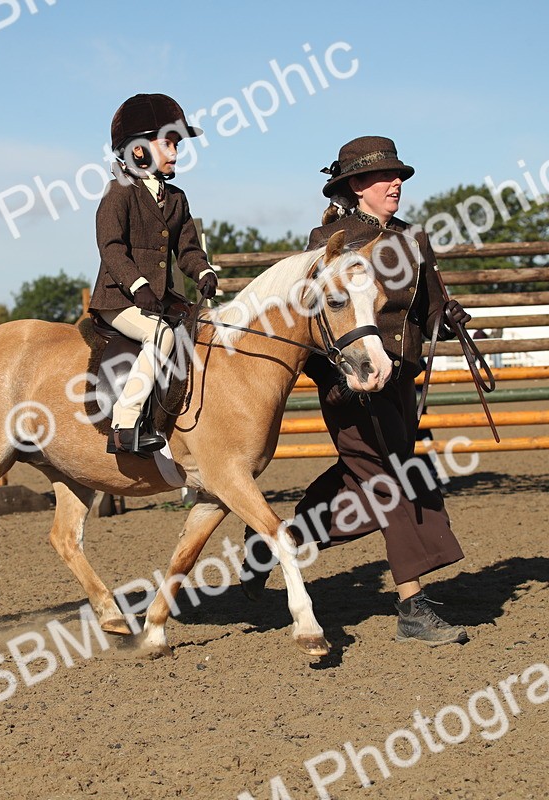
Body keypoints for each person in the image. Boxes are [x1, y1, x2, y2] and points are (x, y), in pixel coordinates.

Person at [242, 136, 472, 647]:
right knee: (392, 482)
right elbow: (317, 314)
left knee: (360, 483)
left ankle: (274, 542)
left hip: (401, 379)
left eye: (399, 177)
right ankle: (412, 606)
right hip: (352, 384)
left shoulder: (415, 238)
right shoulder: (330, 239)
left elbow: (428, 304)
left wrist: (448, 316)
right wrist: (343, 372)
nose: (396, 184)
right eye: (385, 177)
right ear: (356, 185)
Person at [89, 93, 218, 455]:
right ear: (138, 150)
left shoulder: (176, 198)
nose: (175, 153)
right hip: (119, 299)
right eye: (168, 143)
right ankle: (125, 423)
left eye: (176, 144)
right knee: (160, 336)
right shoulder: (119, 192)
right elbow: (111, 247)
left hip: (156, 300)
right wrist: (138, 284)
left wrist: (203, 270)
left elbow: (188, 249)